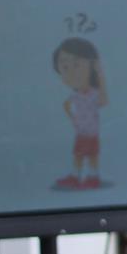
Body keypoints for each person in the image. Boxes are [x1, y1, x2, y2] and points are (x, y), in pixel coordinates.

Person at [52, 37, 107, 189]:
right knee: (78, 155)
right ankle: (75, 177)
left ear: (92, 66)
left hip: (91, 132)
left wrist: (100, 74)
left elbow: (103, 102)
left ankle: (93, 177)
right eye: (65, 67)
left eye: (77, 65)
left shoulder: (94, 93)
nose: (71, 72)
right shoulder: (75, 95)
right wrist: (73, 118)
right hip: (81, 132)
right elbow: (66, 105)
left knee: (92, 155)